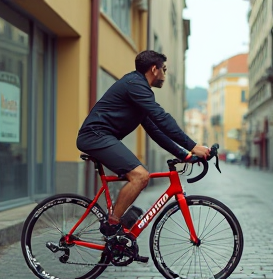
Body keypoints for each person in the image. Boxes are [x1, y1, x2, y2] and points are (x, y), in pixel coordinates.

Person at [77, 50, 210, 237]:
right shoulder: (136, 85)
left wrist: (185, 155)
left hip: (102, 136)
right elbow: (161, 118)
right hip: (95, 136)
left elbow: (155, 130)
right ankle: (112, 225)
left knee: (140, 176)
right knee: (140, 176)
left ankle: (117, 226)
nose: (164, 74)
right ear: (154, 69)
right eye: (163, 69)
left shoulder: (139, 91)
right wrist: (193, 145)